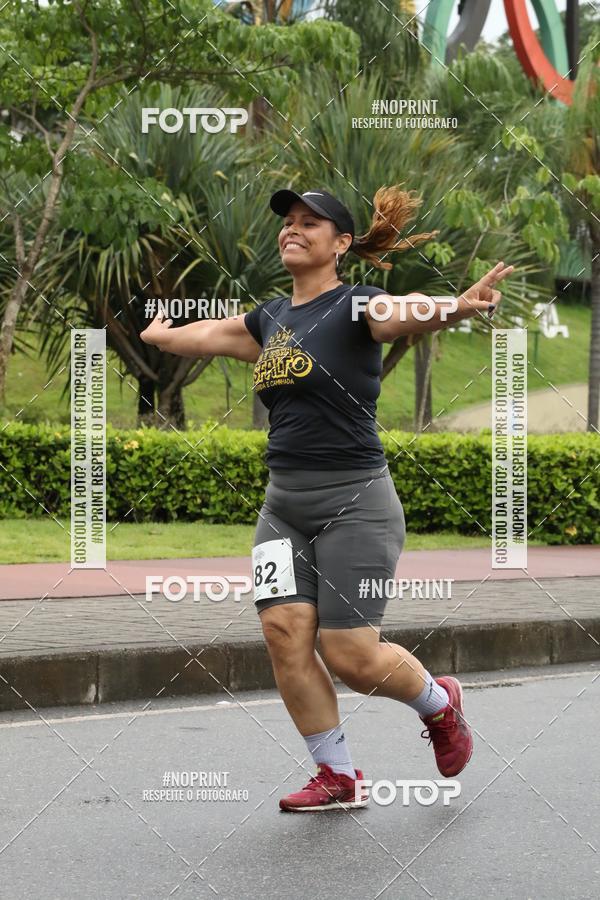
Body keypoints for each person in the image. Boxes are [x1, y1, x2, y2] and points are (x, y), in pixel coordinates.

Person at [141, 185, 514, 813]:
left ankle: (440, 702)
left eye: (310, 223)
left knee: (351, 655)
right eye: (289, 222)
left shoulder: (356, 306)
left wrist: (458, 306)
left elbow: (406, 311)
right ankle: (337, 774)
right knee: (285, 633)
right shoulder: (271, 320)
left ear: (342, 243)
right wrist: (163, 336)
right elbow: (214, 333)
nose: (294, 229)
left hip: (356, 502)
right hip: (282, 506)